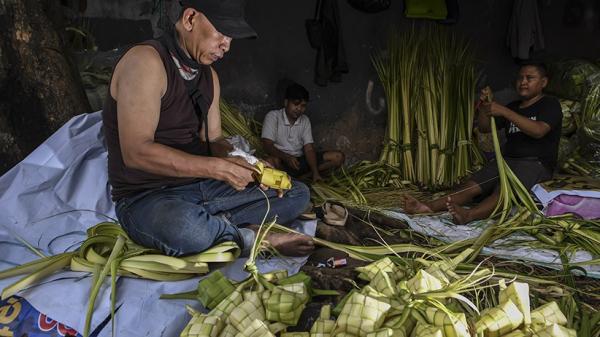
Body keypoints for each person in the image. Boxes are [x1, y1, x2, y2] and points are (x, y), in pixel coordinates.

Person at [102, 0, 314, 258]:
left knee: (296, 193)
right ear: (190, 18)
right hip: (148, 198)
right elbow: (136, 152)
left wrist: (248, 163)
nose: (226, 45)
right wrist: (217, 168)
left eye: (230, 38)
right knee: (187, 229)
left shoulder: (208, 77)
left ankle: (219, 225)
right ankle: (249, 236)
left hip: (200, 188)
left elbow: (214, 140)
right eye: (222, 33)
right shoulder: (146, 62)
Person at [400, 62, 562, 224]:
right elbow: (484, 128)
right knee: (473, 185)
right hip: (507, 161)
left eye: (530, 78)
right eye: (520, 78)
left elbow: (539, 130)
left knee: (504, 191)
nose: (523, 82)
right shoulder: (514, 106)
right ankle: (426, 207)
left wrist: (504, 111)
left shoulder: (549, 104)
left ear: (543, 82)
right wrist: (485, 107)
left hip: (535, 163)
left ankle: (469, 215)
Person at [261, 82, 345, 182]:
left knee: (338, 157)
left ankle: (305, 177)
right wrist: (287, 157)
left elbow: (309, 149)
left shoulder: (305, 120)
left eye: (303, 106)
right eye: (296, 104)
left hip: (300, 162)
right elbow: (267, 145)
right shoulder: (273, 117)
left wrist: (315, 172)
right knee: (269, 162)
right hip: (282, 161)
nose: (299, 109)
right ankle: (289, 180)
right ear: (286, 102)